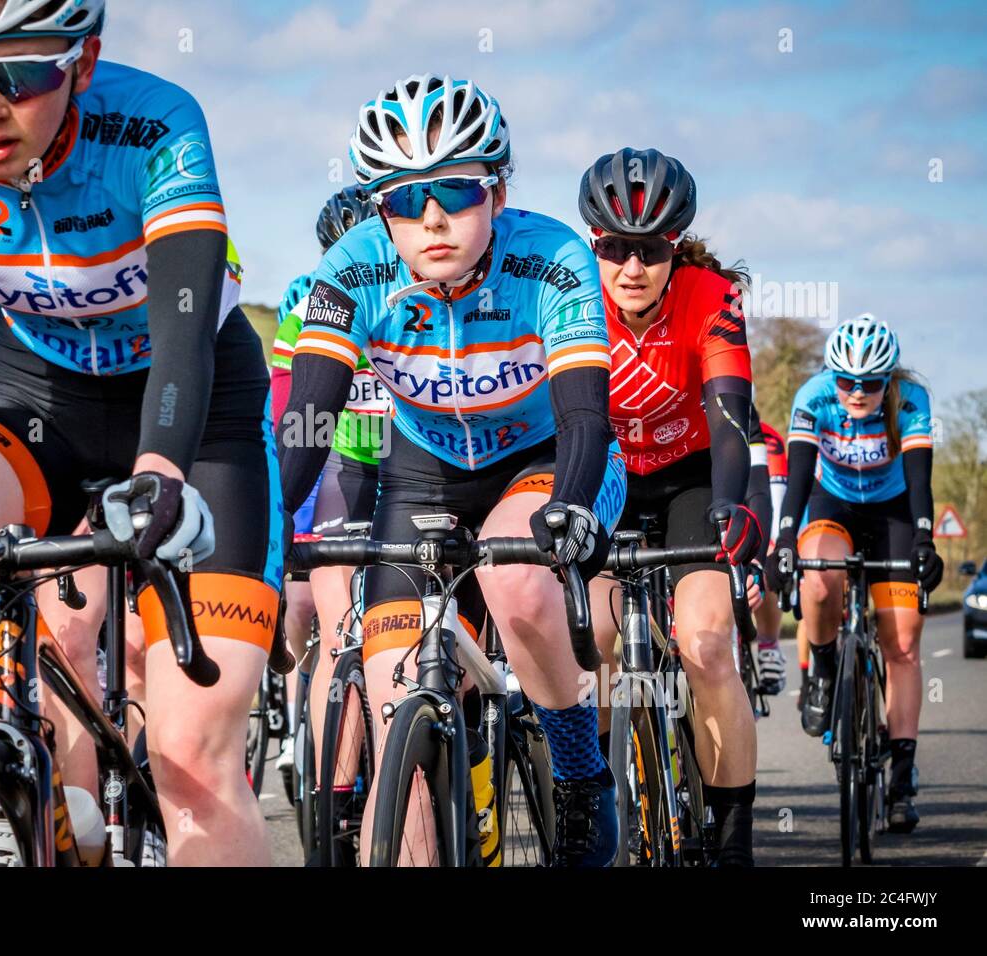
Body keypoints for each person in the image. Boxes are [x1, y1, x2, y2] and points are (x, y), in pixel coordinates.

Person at [0, 0, 279, 865]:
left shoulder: (156, 124)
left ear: (83, 62)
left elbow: (182, 312)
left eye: (21, 74)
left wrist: (163, 467)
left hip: (192, 402)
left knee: (192, 760)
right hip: (37, 385)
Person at [278, 73, 627, 867]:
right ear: (379, 211)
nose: (432, 218)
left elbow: (584, 416)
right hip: (424, 472)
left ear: (498, 191)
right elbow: (309, 420)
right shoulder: (352, 268)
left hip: (545, 461)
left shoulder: (553, 257)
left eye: (456, 193)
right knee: (392, 693)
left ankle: (578, 773)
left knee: (517, 579)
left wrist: (568, 507)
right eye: (404, 200)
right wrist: (270, 518)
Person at [578, 147, 762, 866]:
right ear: (595, 245)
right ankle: (587, 799)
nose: (631, 269)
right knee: (585, 637)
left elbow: (729, 423)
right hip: (607, 473)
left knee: (708, 644)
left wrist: (728, 508)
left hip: (692, 474)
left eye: (649, 251)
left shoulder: (712, 297)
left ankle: (734, 841)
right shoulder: (573, 301)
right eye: (615, 249)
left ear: (674, 248)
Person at [766, 315, 939, 833]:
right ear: (831, 374)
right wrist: (782, 541)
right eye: (847, 381)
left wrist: (926, 538)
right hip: (832, 501)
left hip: (893, 510)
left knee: (903, 643)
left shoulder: (909, 399)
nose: (857, 393)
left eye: (870, 383)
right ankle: (821, 671)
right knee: (819, 579)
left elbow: (918, 479)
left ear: (889, 378)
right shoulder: (814, 395)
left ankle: (903, 779)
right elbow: (796, 477)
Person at [269, 185, 384, 788]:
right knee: (344, 643)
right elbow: (296, 422)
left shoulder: (412, 303)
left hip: (416, 472)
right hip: (348, 468)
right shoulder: (305, 319)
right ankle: (335, 798)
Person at [747, 404, 788, 694]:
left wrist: (766, 550)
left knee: (768, 549)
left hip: (754, 504)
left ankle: (769, 644)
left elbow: (772, 497)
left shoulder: (768, 439)